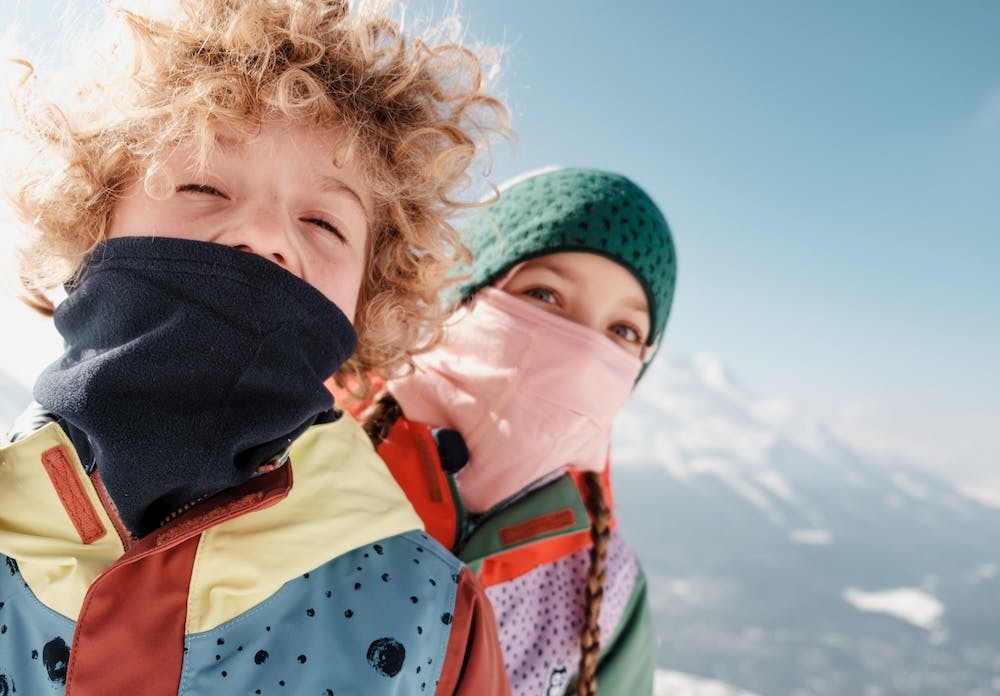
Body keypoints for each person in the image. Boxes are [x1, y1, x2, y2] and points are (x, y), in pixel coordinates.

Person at [0, 1, 510, 694]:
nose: (266, 238)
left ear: (372, 291)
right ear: (94, 216)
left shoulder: (433, 619)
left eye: (324, 223)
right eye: (202, 183)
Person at [360, 167, 677, 695]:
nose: (579, 349)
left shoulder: (606, 586)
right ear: (461, 297)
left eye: (623, 330)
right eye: (546, 295)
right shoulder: (304, 460)